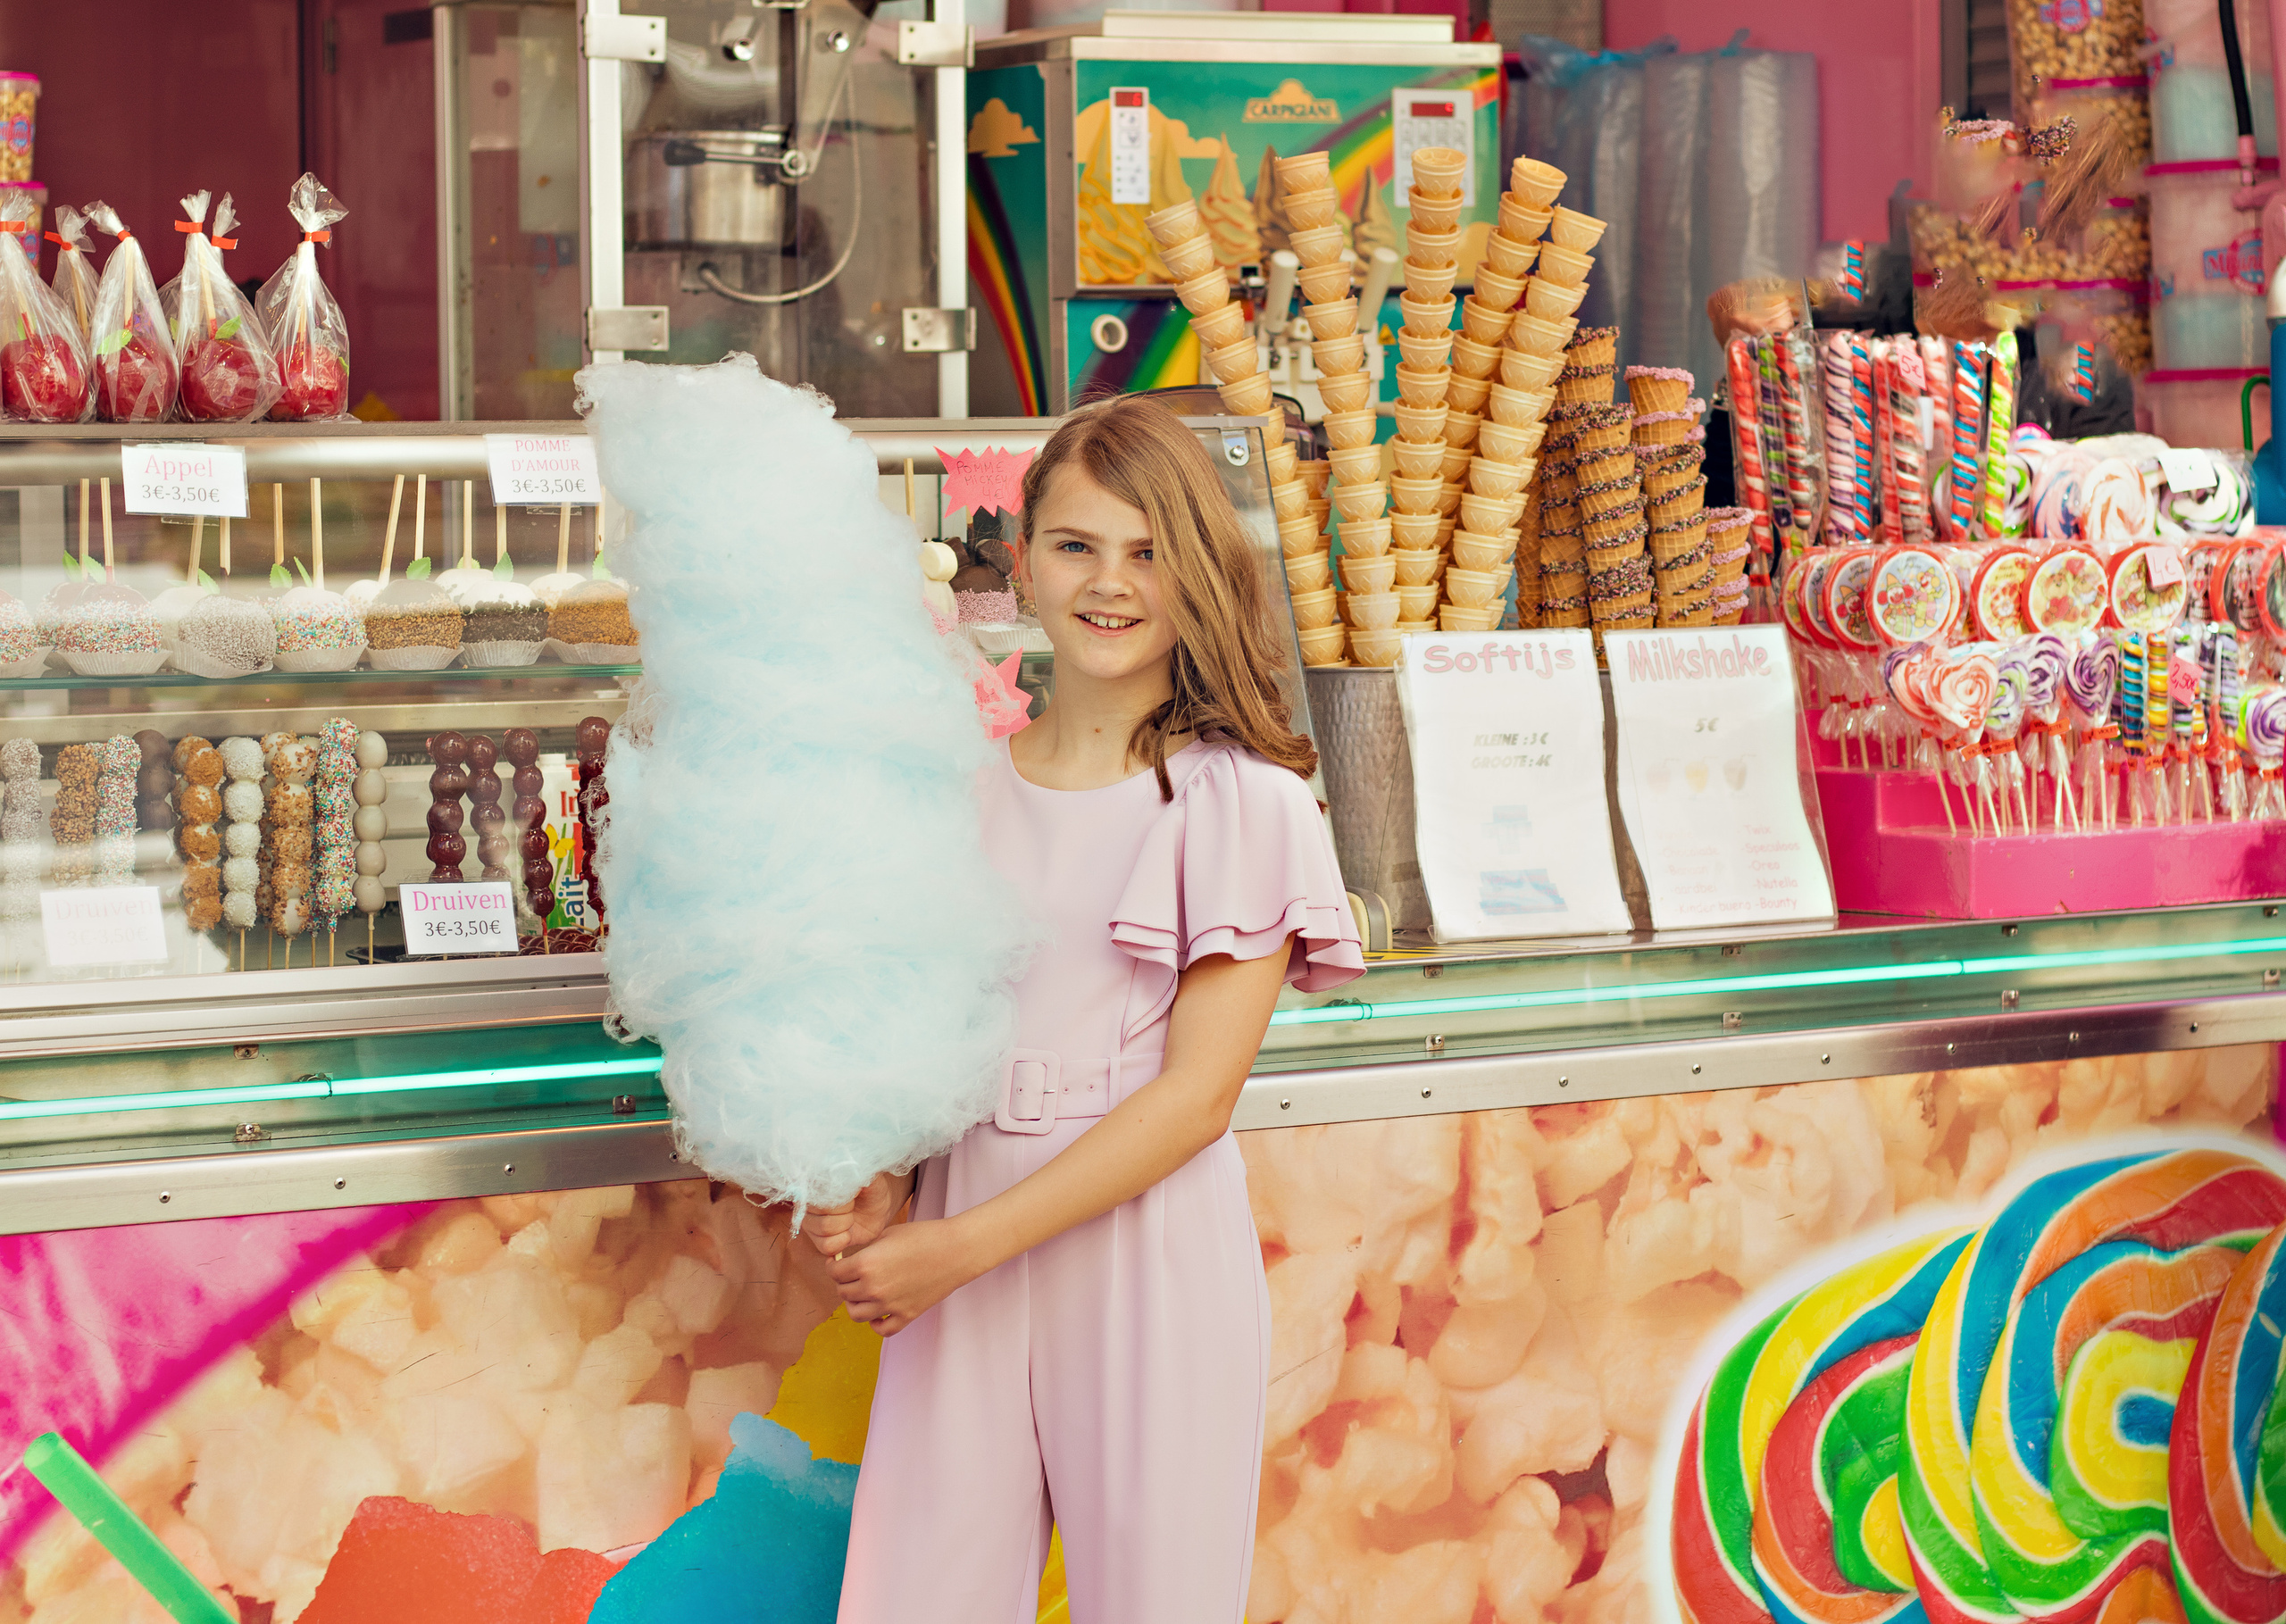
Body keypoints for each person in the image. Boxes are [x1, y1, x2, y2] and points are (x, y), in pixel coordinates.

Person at [811, 394, 1364, 1622]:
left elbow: (1194, 1100)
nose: (1111, 586)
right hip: (959, 1224)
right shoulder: (953, 790)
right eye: (1077, 546)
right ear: (1020, 562)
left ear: (1198, 574)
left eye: (1148, 552)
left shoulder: (1240, 804)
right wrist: (884, 1179)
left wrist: (956, 1249)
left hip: (1145, 1253)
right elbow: (928, 1044)